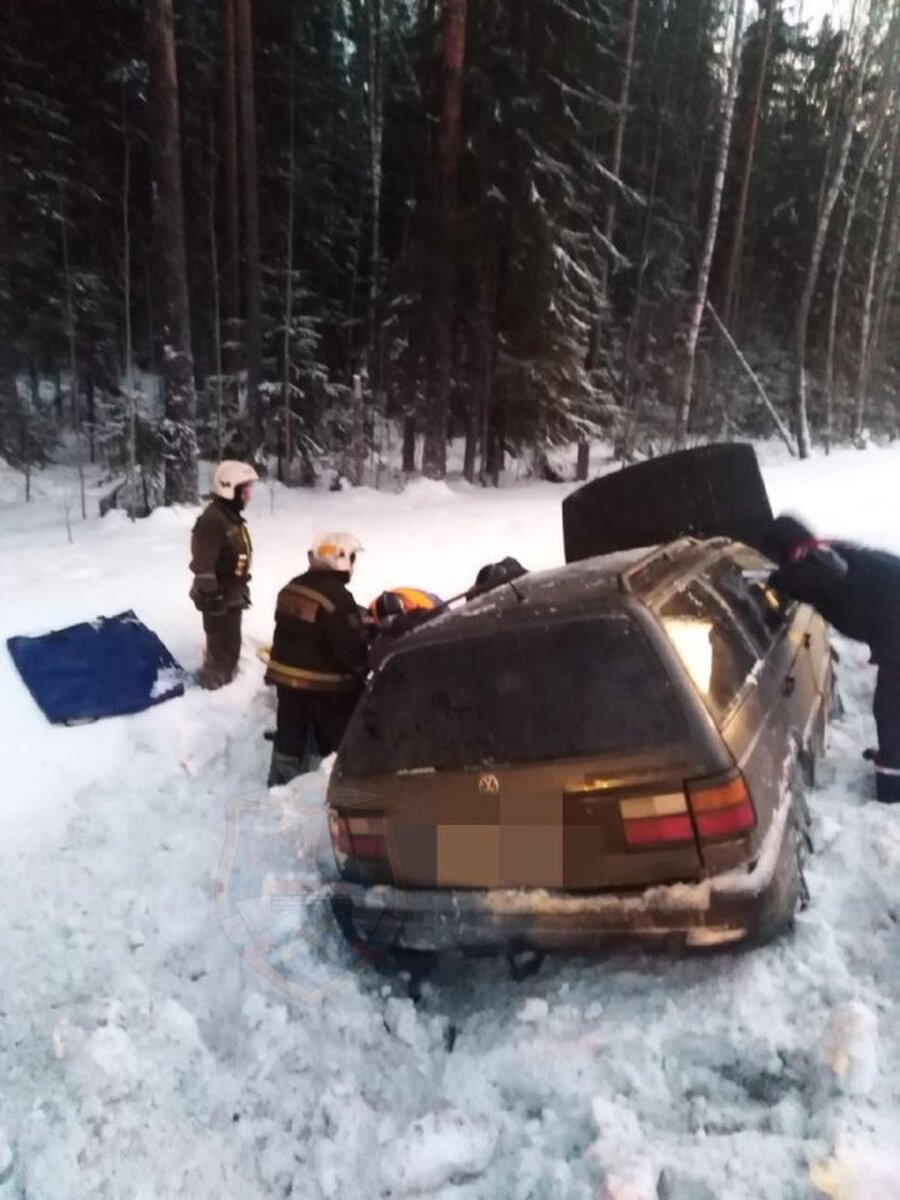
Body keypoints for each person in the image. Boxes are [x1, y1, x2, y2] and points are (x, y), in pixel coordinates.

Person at [761, 514, 900, 802]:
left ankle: (893, 783)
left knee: (890, 707)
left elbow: (795, 581)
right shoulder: (825, 553)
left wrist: (767, 580)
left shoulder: (815, 564)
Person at [265, 531, 369, 786]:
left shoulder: (292, 586)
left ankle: (280, 785)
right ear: (340, 559)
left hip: (285, 678)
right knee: (346, 734)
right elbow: (349, 648)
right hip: (326, 685)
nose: (354, 565)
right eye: (352, 558)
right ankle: (347, 781)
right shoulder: (337, 598)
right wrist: (364, 669)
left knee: (289, 734)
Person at [189, 460, 258, 689]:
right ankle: (214, 693)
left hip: (231, 593)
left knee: (231, 647)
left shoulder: (229, 516)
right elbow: (203, 563)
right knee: (221, 652)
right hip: (219, 597)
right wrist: (212, 596)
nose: (249, 497)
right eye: (245, 491)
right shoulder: (213, 520)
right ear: (230, 489)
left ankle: (225, 683)